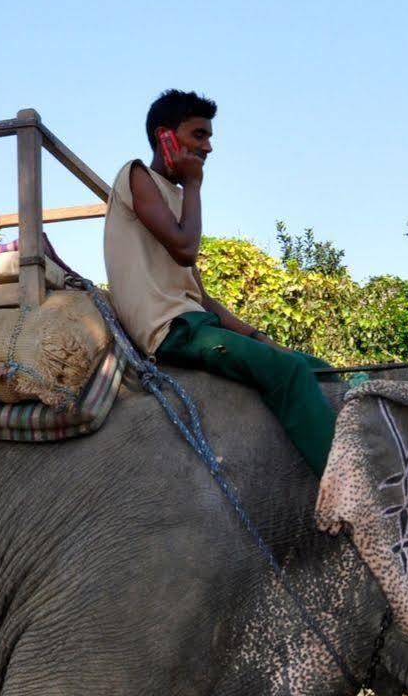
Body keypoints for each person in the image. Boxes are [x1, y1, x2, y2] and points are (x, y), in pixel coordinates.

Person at [102, 89, 337, 474]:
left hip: (197, 322)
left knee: (315, 367)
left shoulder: (176, 200)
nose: (208, 147)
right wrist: (194, 186)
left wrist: (258, 336)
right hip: (170, 329)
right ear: (165, 137)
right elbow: (185, 249)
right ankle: (346, 489)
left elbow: (202, 298)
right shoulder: (136, 175)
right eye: (199, 135)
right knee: (288, 372)